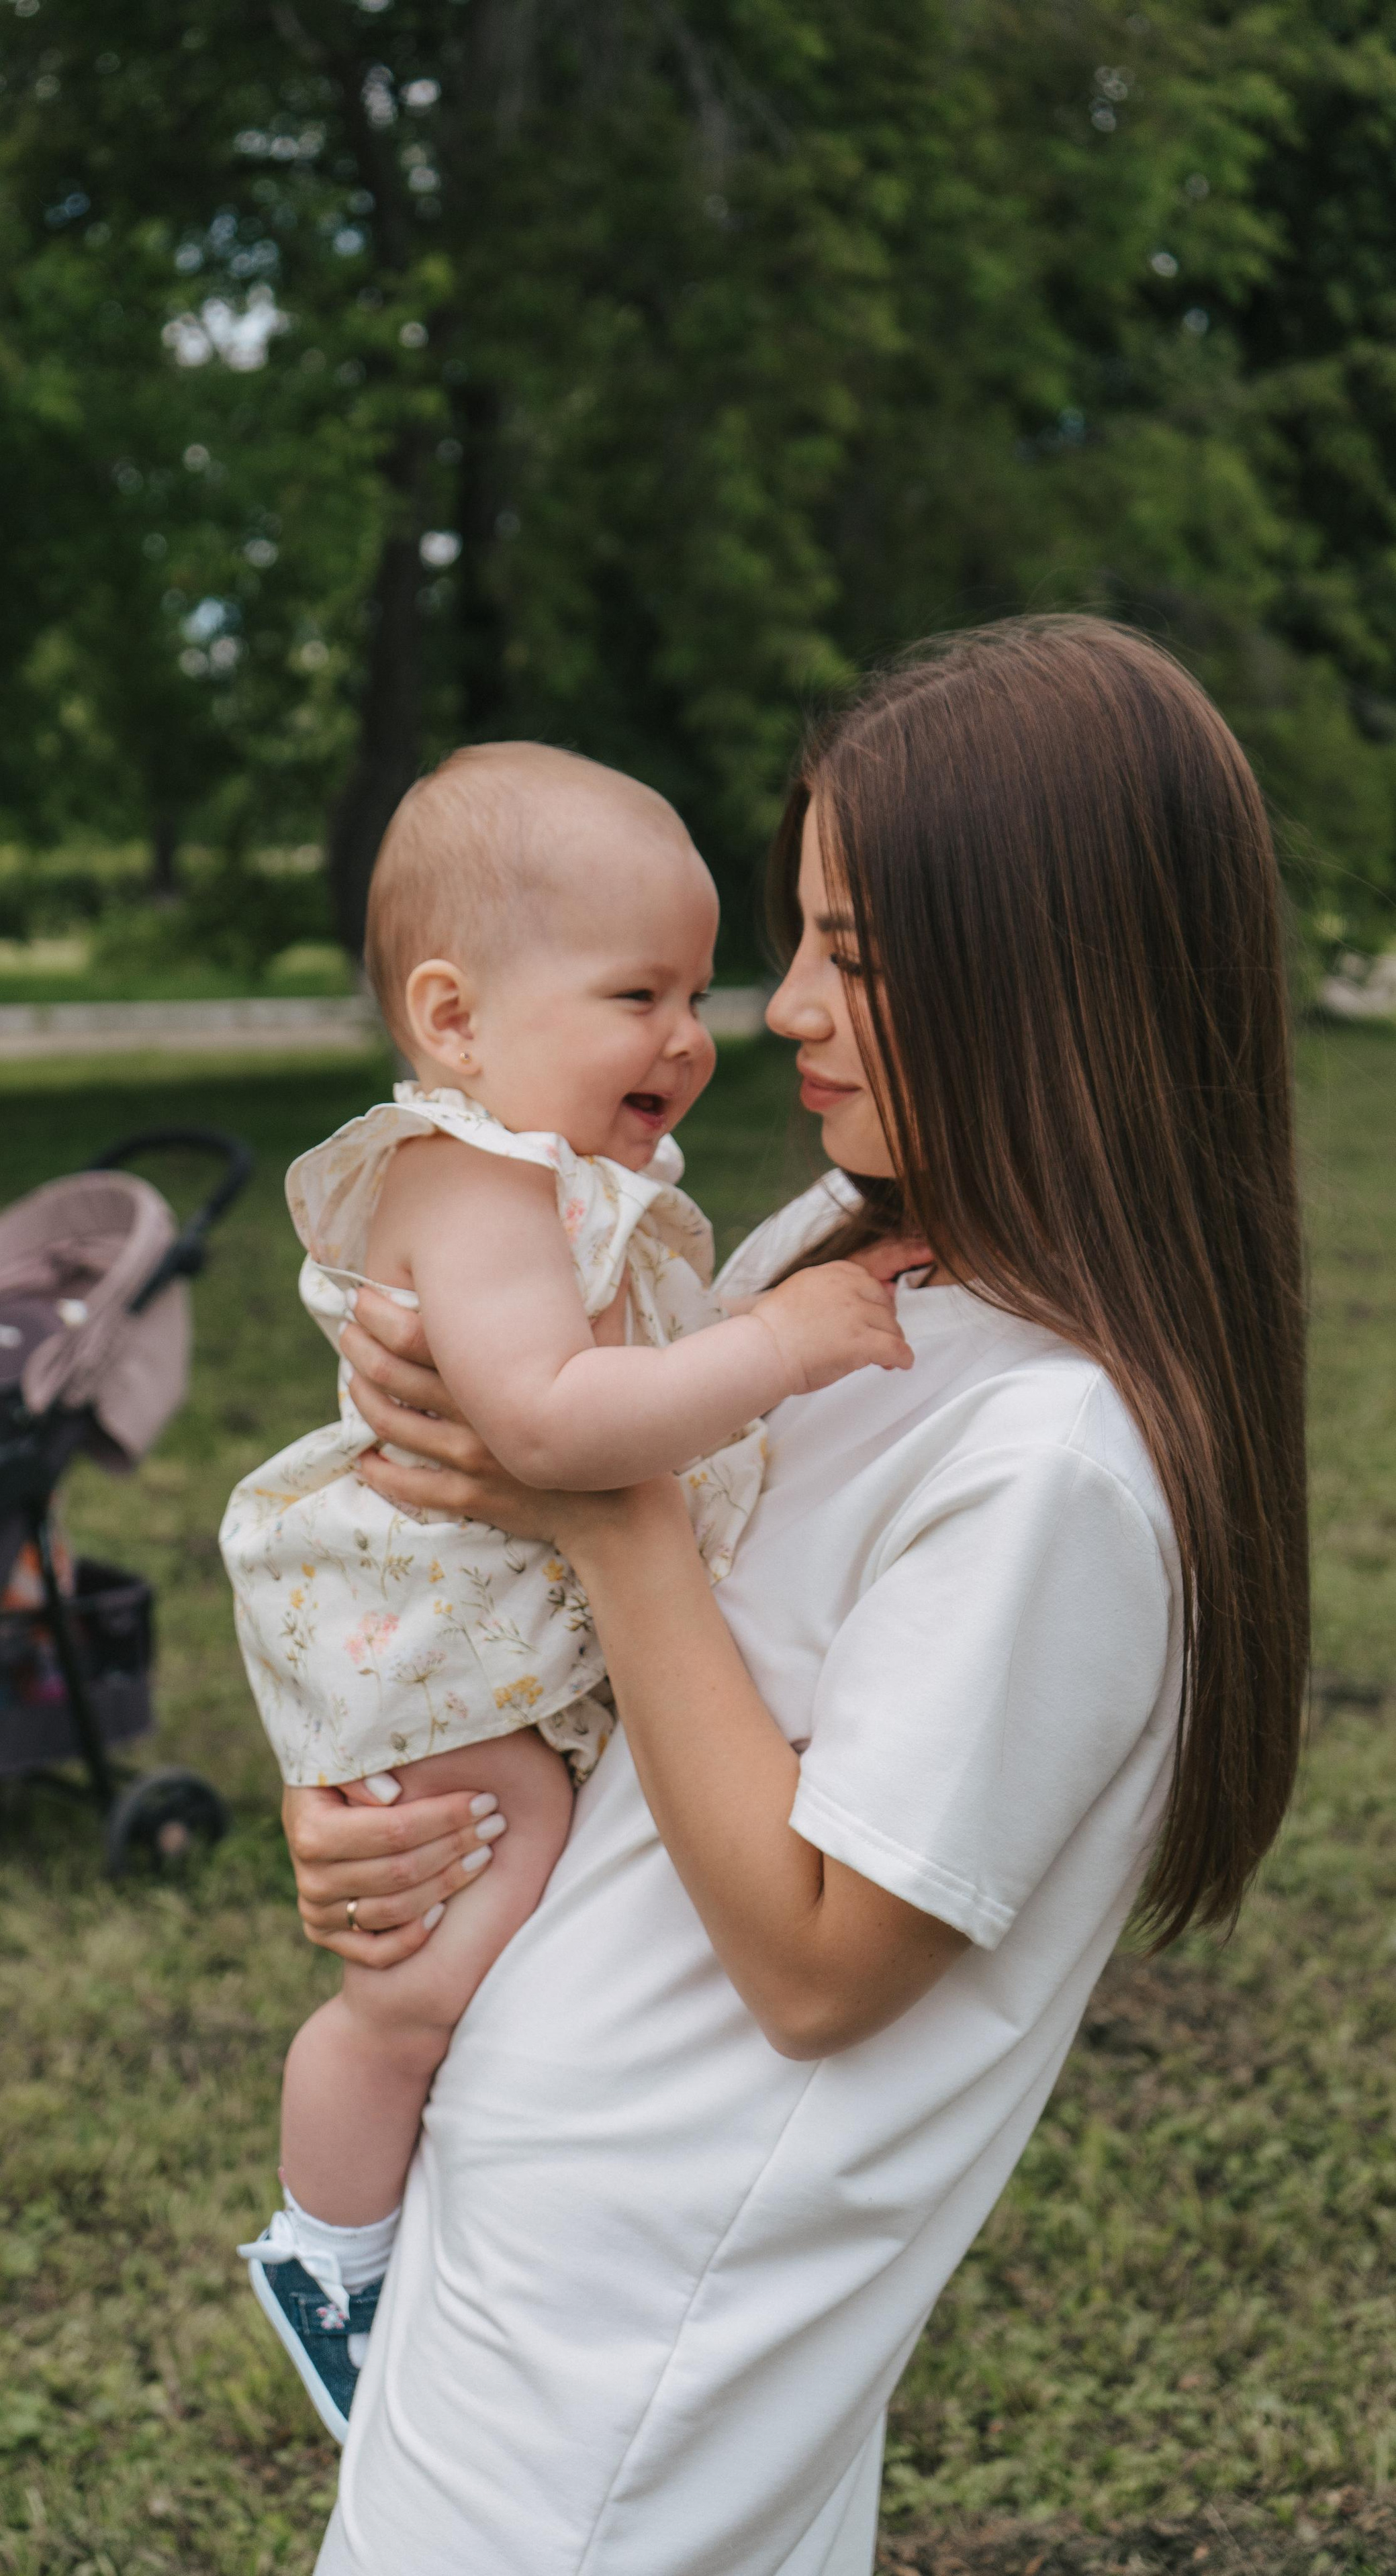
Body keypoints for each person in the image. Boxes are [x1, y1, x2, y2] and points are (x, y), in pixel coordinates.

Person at [275, 616, 1309, 2575]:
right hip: (538, 2221)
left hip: (644, 2343)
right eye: (805, 932)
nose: (777, 1007)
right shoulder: (838, 1258)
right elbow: (626, 1695)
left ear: (1050, 982)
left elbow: (824, 1961)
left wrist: (613, 1507)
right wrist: (396, 1804)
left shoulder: (1056, 1460)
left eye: (860, 951)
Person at [222, 743, 921, 2435]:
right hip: (439, 1626)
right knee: (427, 1955)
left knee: (493, 1879)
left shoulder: (561, 1182)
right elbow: (544, 1423)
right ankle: (330, 2247)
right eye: (637, 991)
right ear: (454, 1020)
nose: (695, 1034)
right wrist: (774, 1346)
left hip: (493, 1623)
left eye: (694, 985)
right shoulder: (466, 1178)